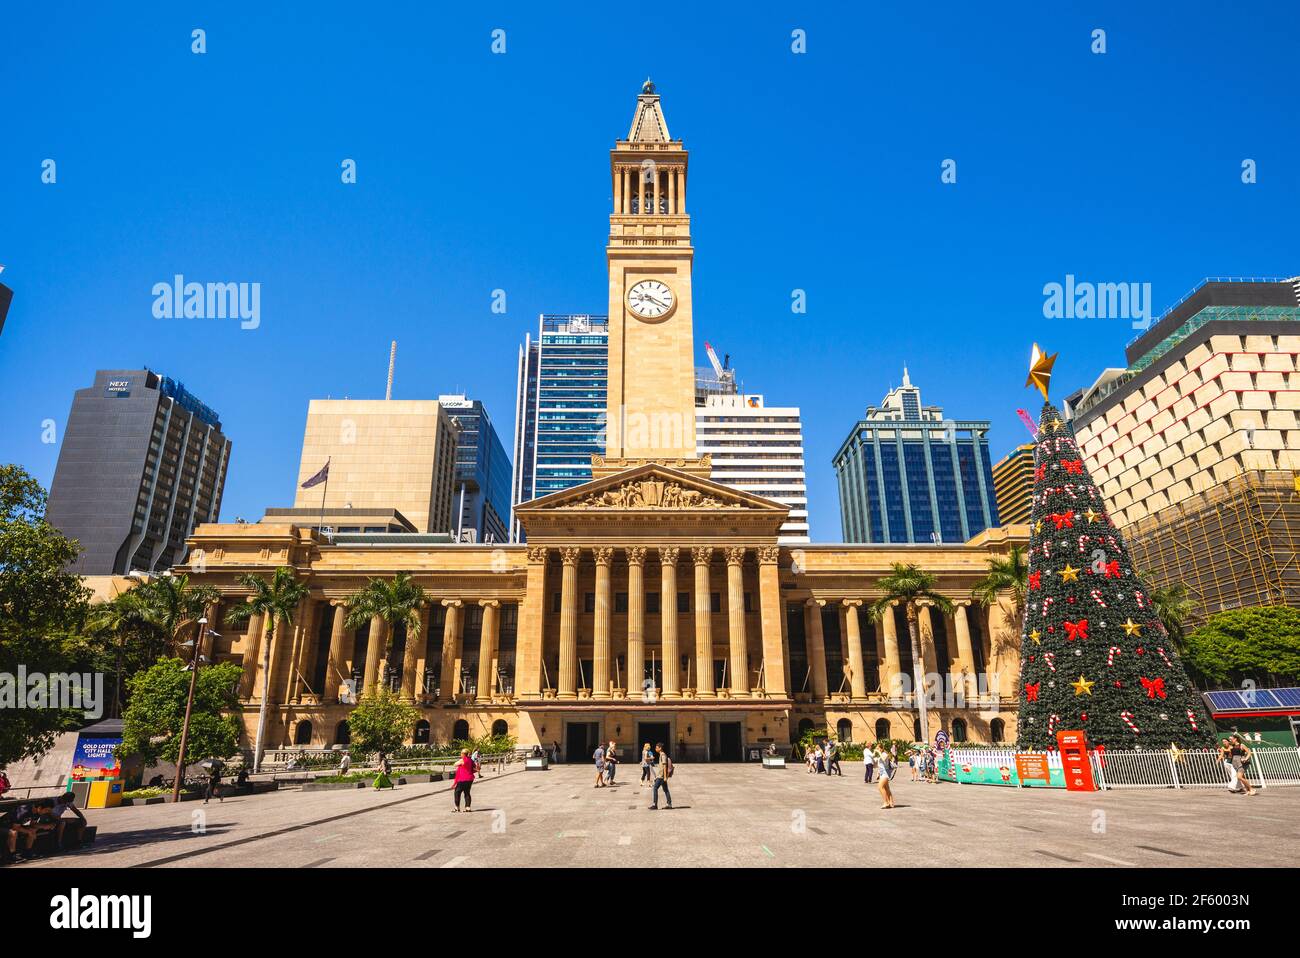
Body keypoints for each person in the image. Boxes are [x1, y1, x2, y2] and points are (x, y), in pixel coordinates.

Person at [649, 742, 673, 810]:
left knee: (655, 788)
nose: (655, 749)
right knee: (666, 790)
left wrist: (665, 777)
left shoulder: (663, 755)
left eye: (657, 747)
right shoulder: (661, 755)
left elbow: (665, 766)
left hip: (662, 776)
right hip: (661, 776)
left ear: (660, 748)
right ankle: (669, 804)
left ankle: (655, 805)